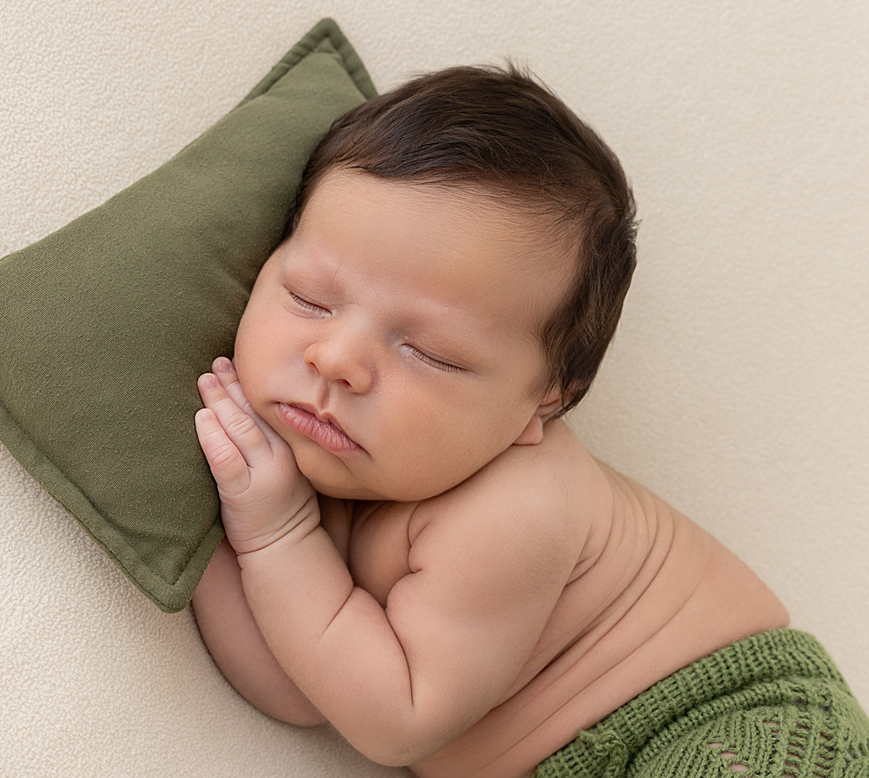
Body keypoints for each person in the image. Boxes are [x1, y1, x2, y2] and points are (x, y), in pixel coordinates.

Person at [189, 66, 869, 778]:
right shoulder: (342, 473)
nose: (336, 360)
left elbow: (393, 722)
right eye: (310, 298)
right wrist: (217, 532)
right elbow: (306, 686)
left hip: (726, 725)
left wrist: (277, 536)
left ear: (545, 399)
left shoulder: (517, 505)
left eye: (428, 352)